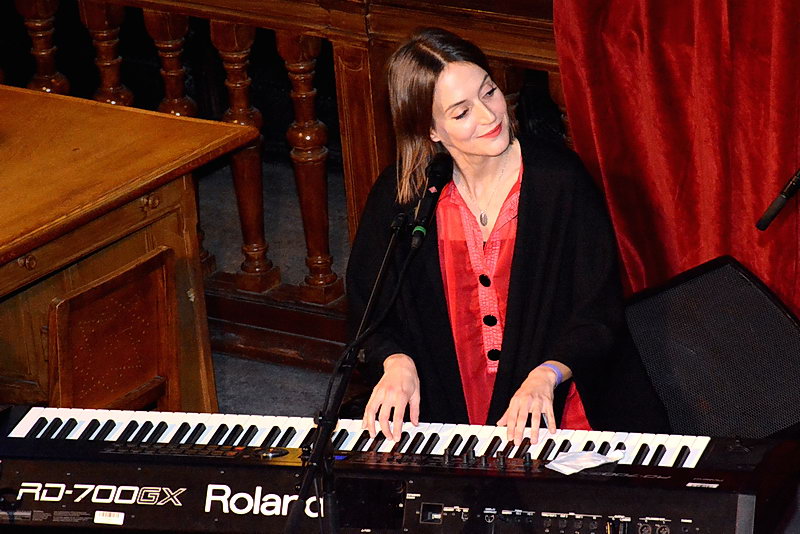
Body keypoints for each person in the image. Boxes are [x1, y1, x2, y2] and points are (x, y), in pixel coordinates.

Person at [346, 28, 668, 446]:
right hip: (447, 414)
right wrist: (396, 362)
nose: (489, 116)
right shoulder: (404, 197)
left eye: (489, 92)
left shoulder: (560, 181)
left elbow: (598, 313)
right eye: (461, 112)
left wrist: (546, 375)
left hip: (563, 406)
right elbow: (370, 308)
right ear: (430, 130)